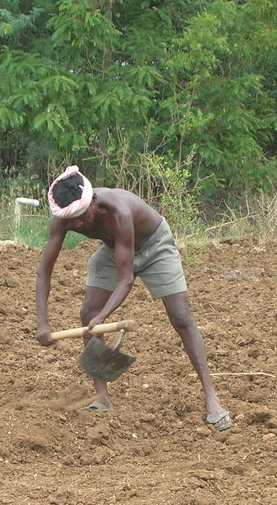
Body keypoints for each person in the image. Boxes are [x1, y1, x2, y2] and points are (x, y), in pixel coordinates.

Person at [34, 165, 232, 431]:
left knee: (181, 317)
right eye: (72, 220)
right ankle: (101, 398)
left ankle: (212, 399)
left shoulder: (119, 211)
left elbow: (126, 278)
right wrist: (43, 323)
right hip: (114, 248)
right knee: (87, 312)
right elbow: (44, 271)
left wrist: (103, 317)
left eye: (82, 216)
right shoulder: (64, 219)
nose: (77, 224)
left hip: (154, 245)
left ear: (94, 201)